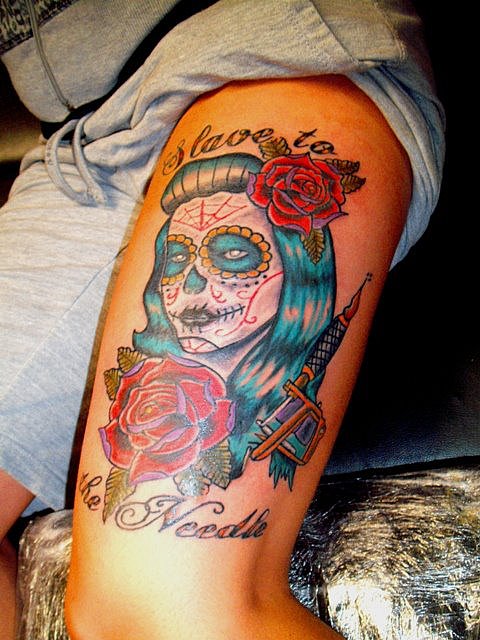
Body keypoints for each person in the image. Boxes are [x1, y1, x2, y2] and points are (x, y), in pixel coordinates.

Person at [0, 1, 445, 639]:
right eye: (176, 259)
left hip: (255, 42)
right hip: (81, 145)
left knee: (158, 601)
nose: (188, 290)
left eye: (233, 255)